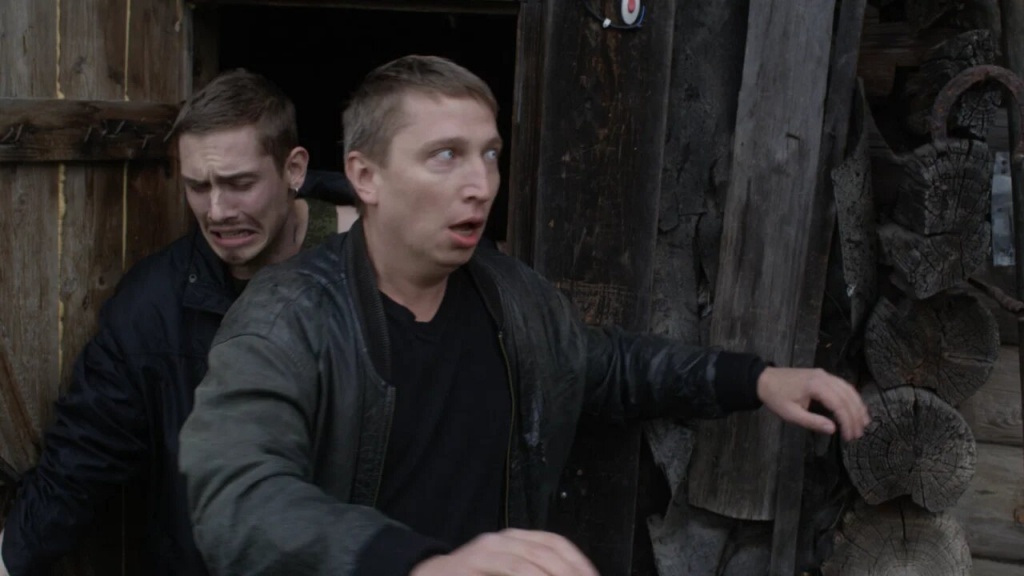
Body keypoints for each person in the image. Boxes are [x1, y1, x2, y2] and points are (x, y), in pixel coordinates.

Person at [178, 55, 871, 576]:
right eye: (445, 157)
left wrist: (755, 380)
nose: (480, 184)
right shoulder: (287, 318)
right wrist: (420, 565)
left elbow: (607, 366)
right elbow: (239, 496)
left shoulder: (510, 295)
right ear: (365, 176)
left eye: (488, 155)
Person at [0, 69, 357, 576]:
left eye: (239, 184)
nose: (218, 211)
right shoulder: (154, 303)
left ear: (293, 168)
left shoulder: (380, 265)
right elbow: (85, 454)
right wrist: (7, 559)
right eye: (198, 187)